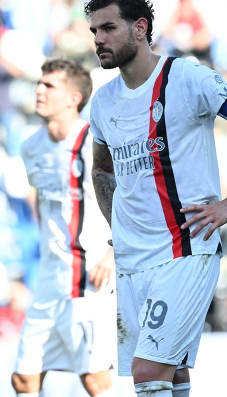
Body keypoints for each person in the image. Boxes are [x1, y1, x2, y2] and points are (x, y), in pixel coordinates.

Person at [85, 0, 227, 397]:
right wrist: (116, 222)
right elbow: (102, 168)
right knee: (170, 374)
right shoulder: (103, 101)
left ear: (140, 28)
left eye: (108, 28)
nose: (98, 39)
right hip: (133, 257)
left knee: (147, 371)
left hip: (185, 249)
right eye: (94, 31)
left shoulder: (188, 77)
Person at [12, 58, 116, 397]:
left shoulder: (96, 143)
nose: (39, 91)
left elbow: (132, 200)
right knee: (24, 378)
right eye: (39, 84)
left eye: (49, 85)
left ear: (74, 98)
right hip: (49, 279)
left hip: (88, 276)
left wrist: (114, 252)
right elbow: (44, 205)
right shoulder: (30, 147)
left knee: (94, 379)